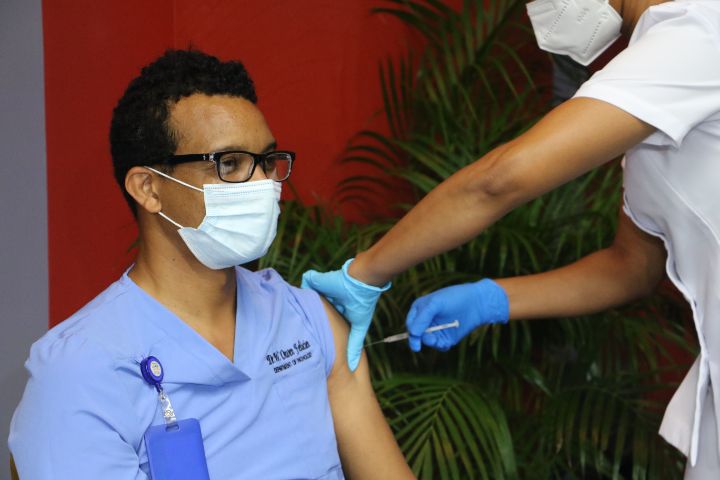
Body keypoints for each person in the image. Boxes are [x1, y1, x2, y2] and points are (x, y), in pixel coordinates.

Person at [302, 0, 720, 477]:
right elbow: (630, 266)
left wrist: (366, 272)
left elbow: (500, 179)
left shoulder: (701, 30)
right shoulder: (653, 83)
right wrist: (491, 299)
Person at [8, 49, 414, 480]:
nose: (263, 184)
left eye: (267, 161)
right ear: (149, 188)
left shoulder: (307, 320)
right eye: (230, 164)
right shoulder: (80, 371)